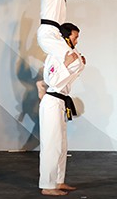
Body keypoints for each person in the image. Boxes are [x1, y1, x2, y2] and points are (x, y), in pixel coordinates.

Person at [37, 0, 115, 99]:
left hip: (54, 33)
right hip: (48, 33)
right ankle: (46, 86)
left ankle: (50, 86)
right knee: (73, 59)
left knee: (79, 62)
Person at [37, 22, 85, 196]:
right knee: (52, 145)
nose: (77, 40)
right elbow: (54, 81)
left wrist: (80, 66)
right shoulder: (55, 55)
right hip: (51, 102)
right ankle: (47, 186)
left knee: (61, 145)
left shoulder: (68, 53)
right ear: (66, 36)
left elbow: (67, 79)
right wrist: (66, 63)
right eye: (75, 36)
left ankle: (58, 181)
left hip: (60, 102)